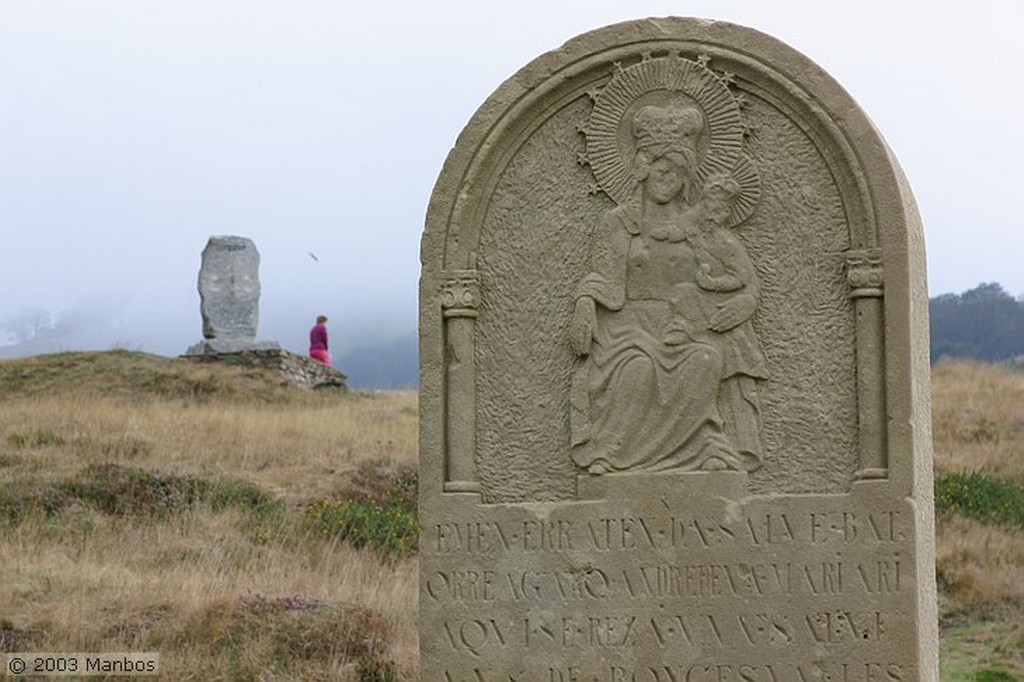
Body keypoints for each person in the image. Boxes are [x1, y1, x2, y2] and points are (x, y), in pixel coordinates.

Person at [569, 101, 763, 474]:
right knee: (638, 367)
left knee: (705, 359)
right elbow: (602, 279)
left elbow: (741, 278)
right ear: (643, 167)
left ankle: (700, 448)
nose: (667, 178)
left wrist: (742, 304)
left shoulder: (699, 227)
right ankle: (610, 452)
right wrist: (584, 304)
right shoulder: (617, 223)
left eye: (676, 172)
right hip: (626, 328)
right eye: (661, 168)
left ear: (687, 177)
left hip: (682, 325)